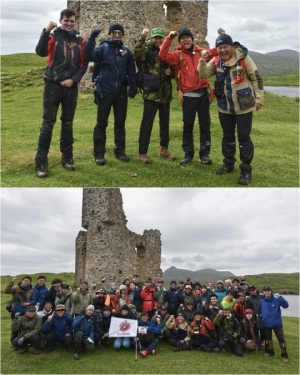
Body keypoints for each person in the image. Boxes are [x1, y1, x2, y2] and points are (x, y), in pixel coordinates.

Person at [198, 28, 264, 185]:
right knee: (227, 137)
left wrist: (259, 99)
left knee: (244, 138)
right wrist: (201, 60)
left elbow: (256, 78)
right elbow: (202, 75)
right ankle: (229, 164)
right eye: (219, 47)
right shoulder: (215, 61)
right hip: (224, 107)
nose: (222, 50)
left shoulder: (244, 59)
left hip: (244, 108)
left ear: (232, 46)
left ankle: (246, 170)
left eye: (225, 47)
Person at [34, 8, 88, 177]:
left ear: (75, 21)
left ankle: (67, 159)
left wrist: (74, 80)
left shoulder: (80, 41)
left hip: (71, 86)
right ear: (61, 20)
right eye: (66, 20)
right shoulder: (52, 36)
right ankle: (41, 163)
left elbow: (83, 64)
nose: (69, 23)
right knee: (48, 123)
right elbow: (41, 51)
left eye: (72, 21)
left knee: (68, 122)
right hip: (52, 85)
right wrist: (46, 30)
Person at [159, 28, 217, 166]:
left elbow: (215, 51)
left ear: (192, 39)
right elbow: (162, 55)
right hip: (188, 96)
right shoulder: (177, 55)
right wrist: (169, 38)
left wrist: (222, 38)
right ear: (180, 41)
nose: (186, 40)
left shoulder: (199, 51)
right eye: (182, 38)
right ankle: (188, 153)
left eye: (188, 37)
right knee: (188, 125)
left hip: (203, 94)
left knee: (205, 125)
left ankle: (204, 154)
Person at [85, 23, 137, 166]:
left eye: (120, 33)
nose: (117, 36)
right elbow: (88, 55)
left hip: (120, 92)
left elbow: (132, 71)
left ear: (123, 35)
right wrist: (92, 37)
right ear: (109, 34)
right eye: (114, 33)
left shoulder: (127, 52)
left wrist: (133, 88)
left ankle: (119, 151)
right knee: (101, 124)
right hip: (105, 92)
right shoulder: (103, 49)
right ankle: (99, 154)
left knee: (120, 124)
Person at [134, 27, 175, 164]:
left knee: (165, 124)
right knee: (147, 124)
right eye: (155, 37)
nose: (158, 40)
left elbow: (173, 69)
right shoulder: (147, 50)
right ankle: (142, 153)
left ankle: (164, 149)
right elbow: (137, 54)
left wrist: (172, 73)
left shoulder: (166, 50)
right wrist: (142, 36)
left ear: (163, 38)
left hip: (165, 93)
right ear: (152, 38)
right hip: (151, 93)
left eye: (160, 37)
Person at [259, 286, 289, 362]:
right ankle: (270, 352)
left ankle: (284, 355)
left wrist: (281, 297)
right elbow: (260, 310)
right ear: (263, 292)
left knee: (281, 339)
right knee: (268, 339)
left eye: (268, 291)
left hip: (277, 324)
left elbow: (286, 306)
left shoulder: (277, 300)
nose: (267, 292)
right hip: (266, 324)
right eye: (265, 291)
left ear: (271, 292)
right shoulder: (261, 301)